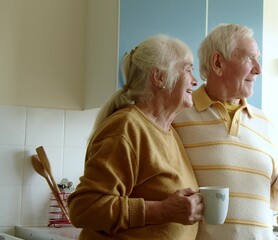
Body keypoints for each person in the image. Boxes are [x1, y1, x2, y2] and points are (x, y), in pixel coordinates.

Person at [172, 24, 278, 239]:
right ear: (218, 63)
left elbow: (273, 199)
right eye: (249, 59)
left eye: (258, 59)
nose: (259, 69)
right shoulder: (177, 117)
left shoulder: (263, 122)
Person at [67, 35, 203, 240]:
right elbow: (85, 208)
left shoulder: (169, 132)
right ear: (159, 78)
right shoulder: (126, 127)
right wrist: (163, 210)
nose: (195, 80)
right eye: (188, 69)